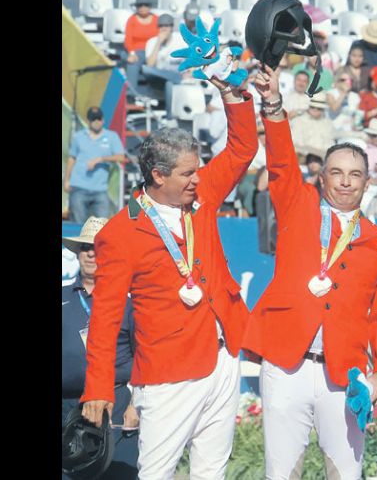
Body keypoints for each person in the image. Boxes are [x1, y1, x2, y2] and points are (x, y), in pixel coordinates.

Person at [79, 76, 258, 479]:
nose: (198, 179)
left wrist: (233, 98)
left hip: (223, 355)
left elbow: (243, 148)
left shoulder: (202, 195)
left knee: (211, 471)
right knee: (156, 473)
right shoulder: (119, 233)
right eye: (187, 173)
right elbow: (105, 318)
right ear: (158, 176)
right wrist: (98, 388)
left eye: (197, 170)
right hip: (168, 372)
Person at [241, 64, 377, 480]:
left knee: (345, 473)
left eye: (355, 175)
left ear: (368, 182)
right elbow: (280, 163)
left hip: (344, 372)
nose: (345, 182)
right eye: (337, 173)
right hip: (287, 365)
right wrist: (272, 104)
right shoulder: (299, 208)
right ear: (322, 176)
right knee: (281, 474)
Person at [62, 217, 139, 480]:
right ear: (78, 253)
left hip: (116, 405)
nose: (91, 253)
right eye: (85, 247)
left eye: (98, 247)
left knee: (117, 474)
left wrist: (136, 404)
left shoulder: (130, 302)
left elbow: (144, 357)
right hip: (66, 405)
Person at [64, 107, 126, 223]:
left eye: (99, 119)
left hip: (100, 189)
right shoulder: (78, 137)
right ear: (88, 121)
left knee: (102, 225)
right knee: (78, 224)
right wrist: (66, 180)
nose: (96, 122)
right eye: (93, 119)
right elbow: (72, 159)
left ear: (103, 120)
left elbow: (121, 157)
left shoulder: (111, 136)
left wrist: (101, 159)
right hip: (78, 187)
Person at [141, 13, 188, 110]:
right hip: (158, 78)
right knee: (146, 69)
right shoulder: (152, 42)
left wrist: (190, 73)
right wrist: (158, 43)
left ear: (171, 27)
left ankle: (169, 116)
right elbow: (150, 64)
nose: (163, 28)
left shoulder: (180, 40)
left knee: (169, 83)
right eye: (161, 26)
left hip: (178, 74)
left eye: (166, 26)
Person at [124, 0, 159, 97]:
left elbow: (160, 38)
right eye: (140, 5)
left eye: (146, 5)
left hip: (153, 51)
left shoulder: (157, 19)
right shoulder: (132, 20)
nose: (143, 7)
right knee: (132, 63)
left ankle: (154, 94)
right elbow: (128, 39)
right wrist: (132, 53)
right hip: (136, 51)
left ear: (150, 6)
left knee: (156, 65)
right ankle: (131, 95)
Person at [289, 92, 336, 157]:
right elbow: (296, 144)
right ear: (308, 107)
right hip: (303, 157)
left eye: (319, 108)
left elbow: (330, 144)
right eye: (313, 107)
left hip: (322, 157)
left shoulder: (328, 123)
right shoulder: (298, 121)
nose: (315, 110)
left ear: (323, 109)